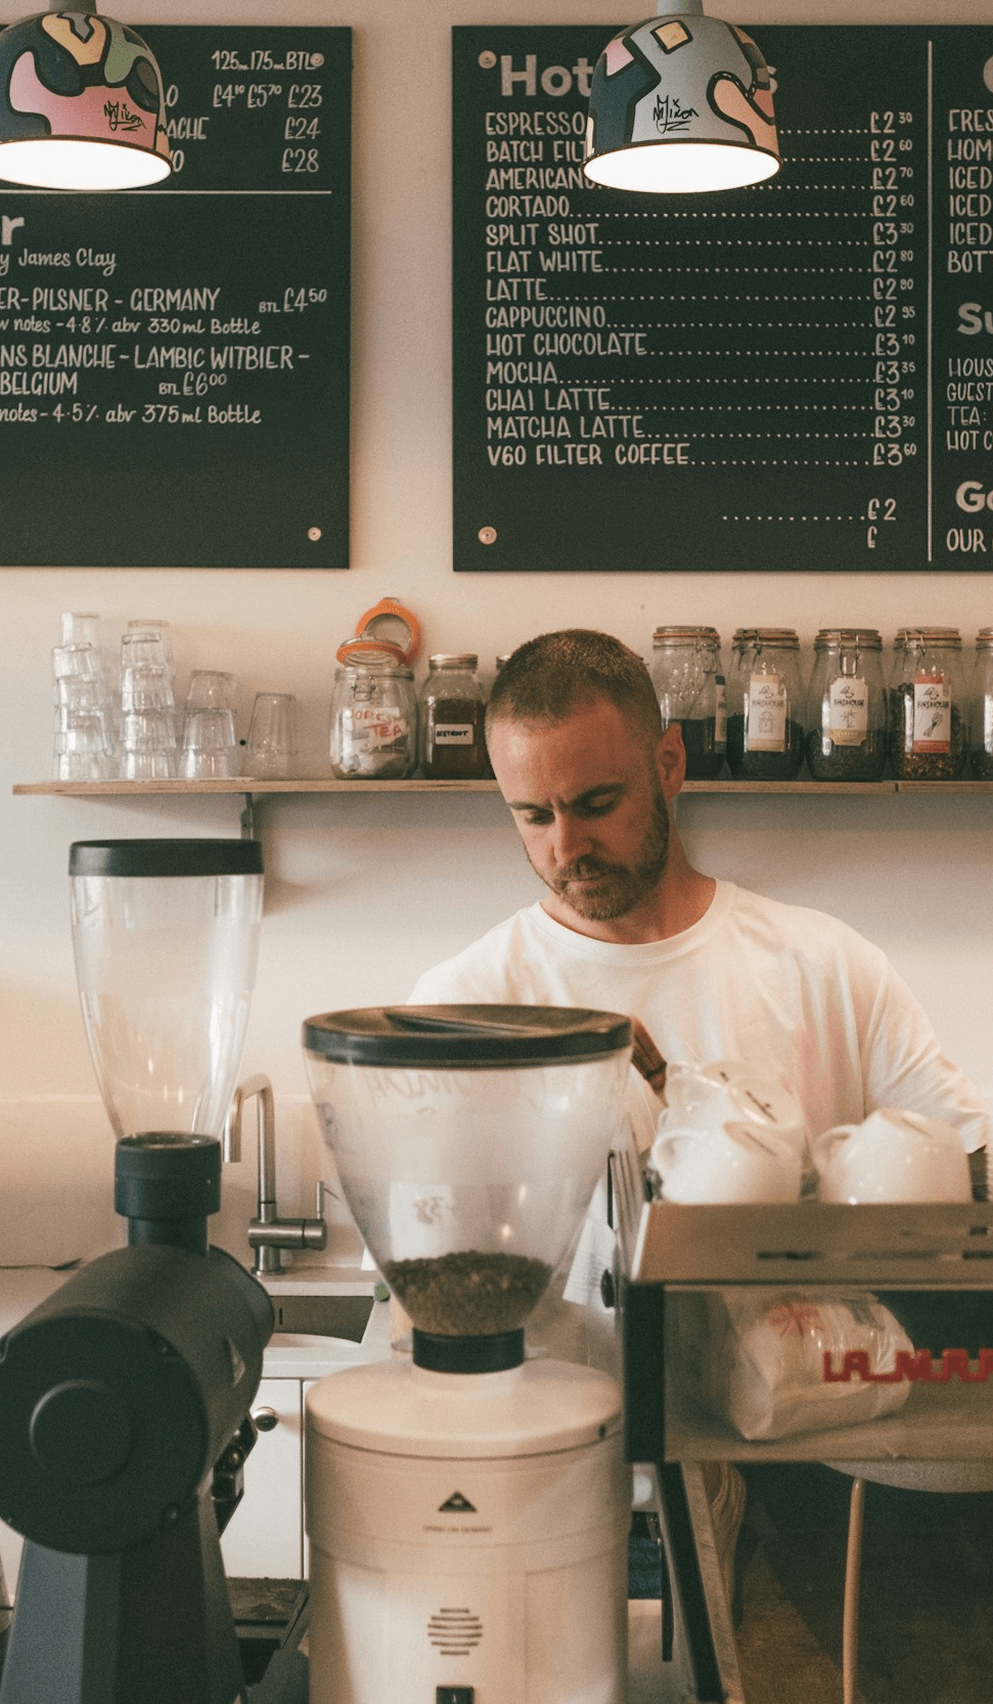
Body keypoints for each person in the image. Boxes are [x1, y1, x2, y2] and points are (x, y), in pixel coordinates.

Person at [407, 628, 991, 1605]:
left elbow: (964, 1182)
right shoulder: (471, 998)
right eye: (532, 815)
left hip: (808, 1483)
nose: (566, 847)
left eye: (597, 804)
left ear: (669, 762)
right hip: (579, 1490)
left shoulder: (824, 968)